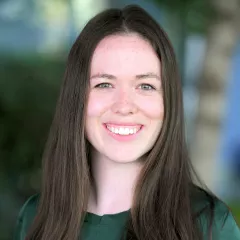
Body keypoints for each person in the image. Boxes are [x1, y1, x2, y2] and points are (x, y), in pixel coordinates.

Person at [14, 4, 240, 240]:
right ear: (76, 98)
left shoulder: (209, 225)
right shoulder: (35, 217)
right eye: (104, 84)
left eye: (145, 86)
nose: (124, 105)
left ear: (168, 102)